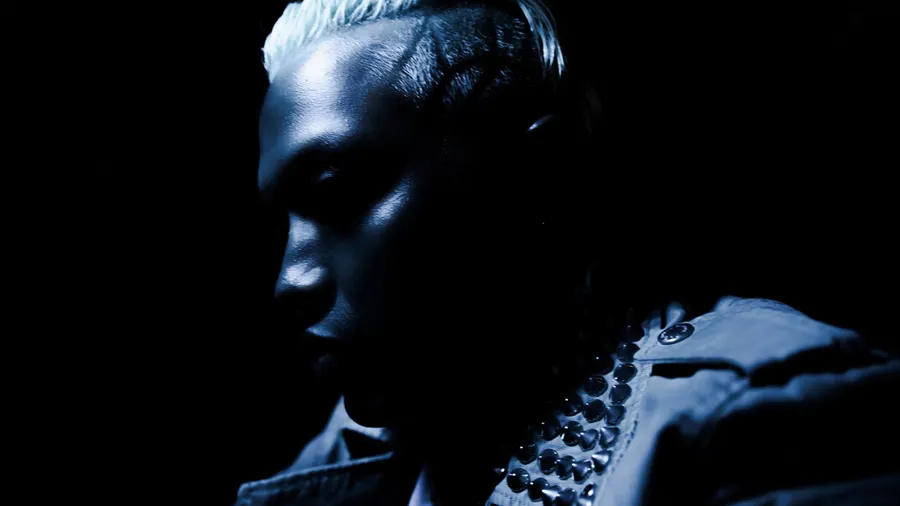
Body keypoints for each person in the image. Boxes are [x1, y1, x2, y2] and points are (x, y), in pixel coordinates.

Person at [236, 1, 900, 505]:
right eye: (283, 221)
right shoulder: (351, 452)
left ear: (534, 177)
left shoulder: (762, 424)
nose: (289, 281)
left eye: (336, 192)